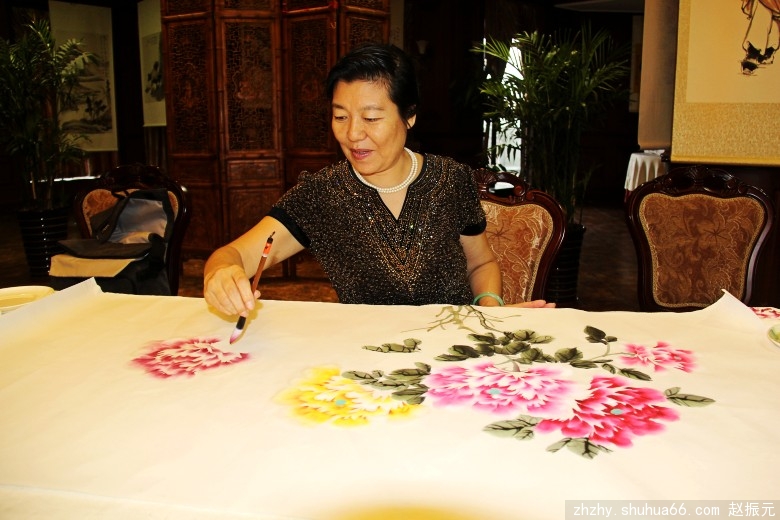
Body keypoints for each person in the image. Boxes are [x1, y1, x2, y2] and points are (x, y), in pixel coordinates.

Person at [203, 43, 553, 316]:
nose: (353, 134)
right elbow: (233, 254)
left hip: (452, 348)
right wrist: (220, 275)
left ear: (409, 116)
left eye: (371, 118)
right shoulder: (321, 194)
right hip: (368, 358)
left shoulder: (451, 180)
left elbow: (481, 262)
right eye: (341, 117)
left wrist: (490, 309)